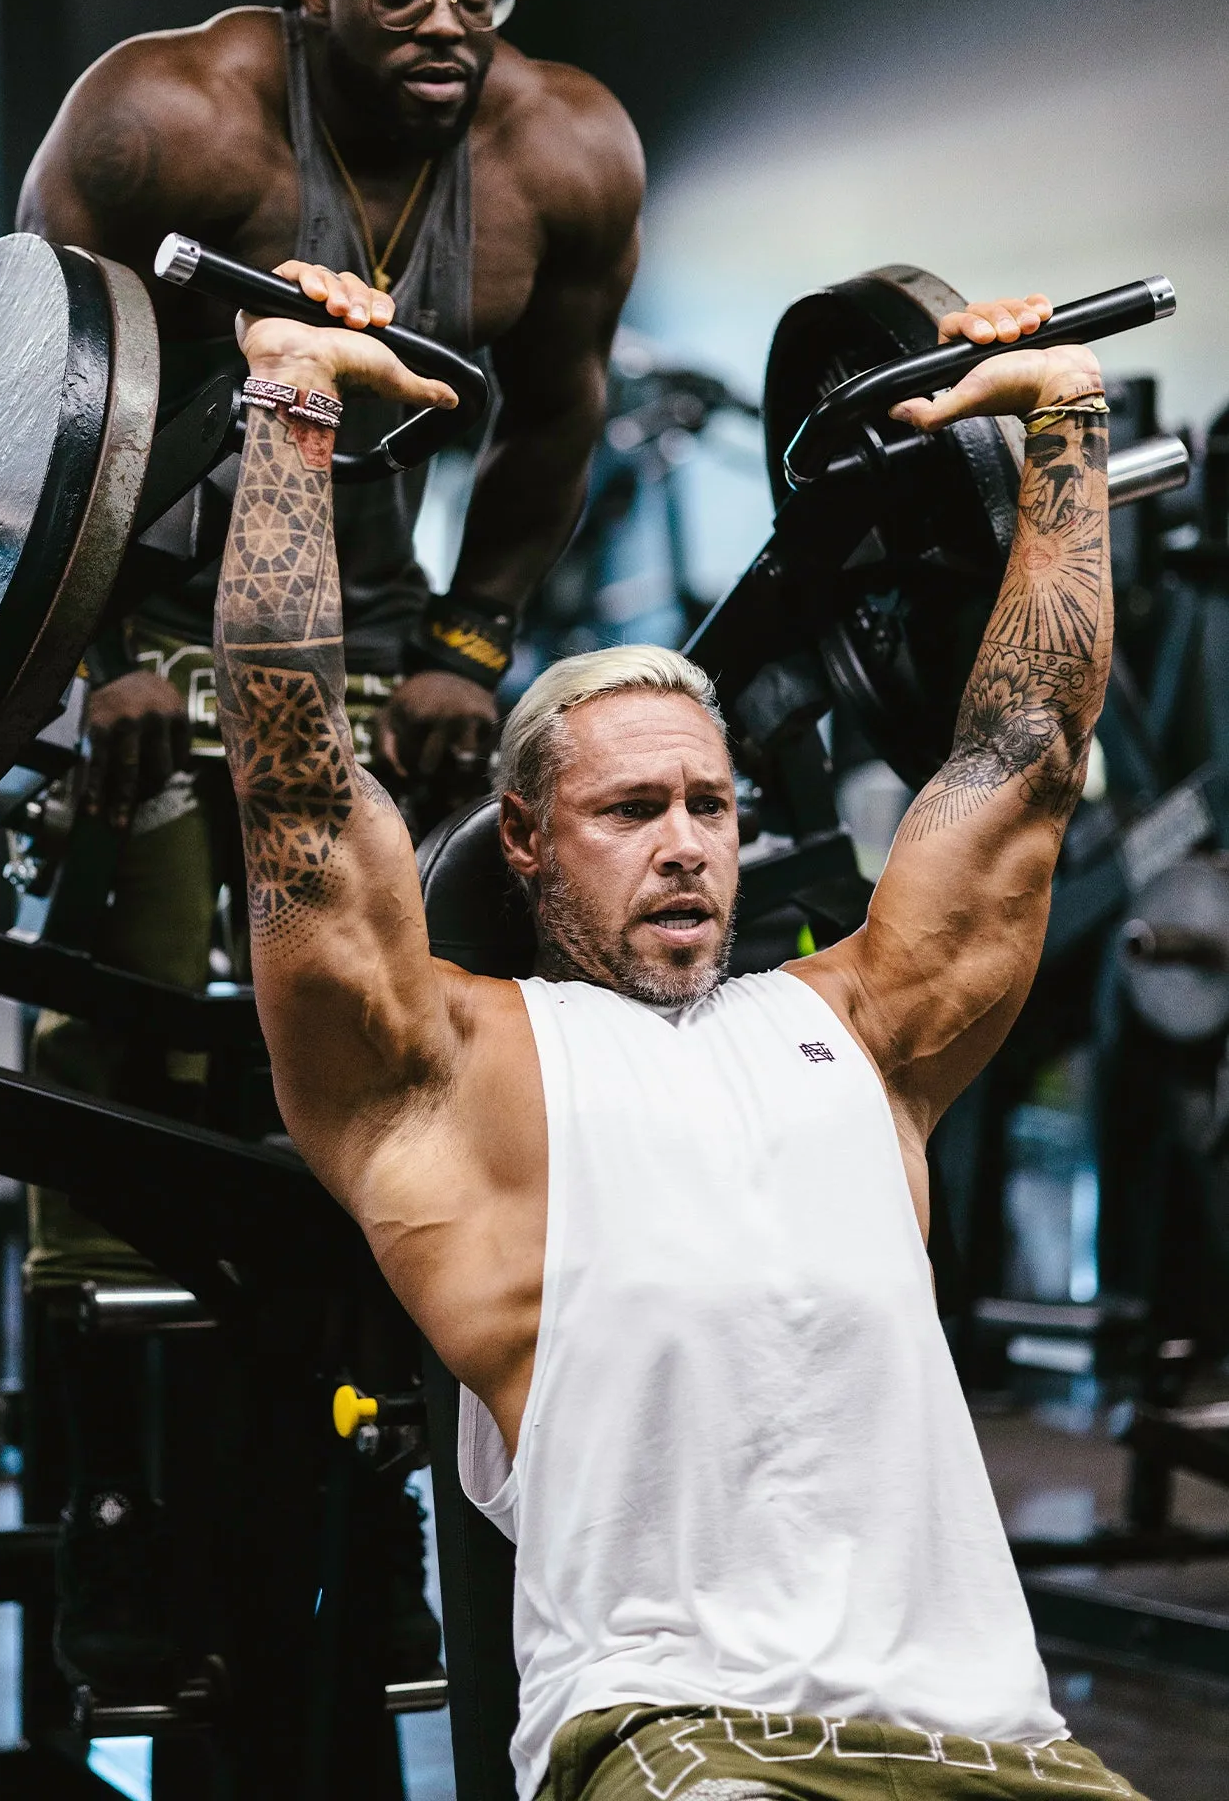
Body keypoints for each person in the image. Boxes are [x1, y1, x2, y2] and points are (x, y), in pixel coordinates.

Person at [213, 258, 1141, 1801]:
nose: (690, 841)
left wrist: (1064, 433)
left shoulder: (863, 1026)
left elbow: (1029, 750)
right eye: (632, 807)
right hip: (682, 1739)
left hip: (992, 1737)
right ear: (523, 841)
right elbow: (295, 790)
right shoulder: (454, 1077)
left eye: (711, 804)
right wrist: (293, 406)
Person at [16, 0, 641, 1697]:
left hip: (369, 615)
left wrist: (468, 644)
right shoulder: (165, 117)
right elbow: (19, 381)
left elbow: (557, 422)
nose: (446, 18)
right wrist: (94, 656)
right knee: (127, 1003)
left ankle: (378, 1520)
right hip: (137, 579)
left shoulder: (564, 151)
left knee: (407, 1029)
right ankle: (108, 1525)